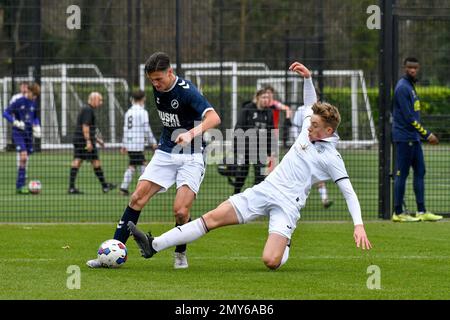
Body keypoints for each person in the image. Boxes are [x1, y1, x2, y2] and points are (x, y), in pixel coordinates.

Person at [127, 61, 372, 271]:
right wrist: (307, 78)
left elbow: (348, 192)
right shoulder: (310, 127)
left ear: (328, 131)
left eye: (315, 125)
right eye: (311, 122)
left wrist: (358, 225)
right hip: (265, 189)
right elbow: (311, 103)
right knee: (211, 218)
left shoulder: (332, 158)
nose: (309, 126)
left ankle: (284, 243)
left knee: (271, 261)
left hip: (288, 206)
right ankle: (154, 244)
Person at [86, 52, 221, 269]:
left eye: (159, 79)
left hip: (192, 154)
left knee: (181, 211)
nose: (155, 84)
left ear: (170, 72)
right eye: (152, 80)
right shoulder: (157, 88)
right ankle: (112, 252)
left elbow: (214, 117)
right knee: (137, 197)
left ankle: (180, 252)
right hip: (166, 151)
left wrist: (190, 134)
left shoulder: (187, 91)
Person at [392, 57, 442, 222]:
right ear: (404, 68)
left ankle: (421, 211)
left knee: (420, 172)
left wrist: (420, 135)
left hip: (413, 138)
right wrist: (427, 134)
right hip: (404, 138)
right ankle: (398, 213)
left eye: (415, 68)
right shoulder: (402, 88)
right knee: (402, 174)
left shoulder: (410, 87)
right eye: (410, 67)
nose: (413, 70)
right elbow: (409, 118)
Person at [291, 84, 333, 209]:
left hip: (316, 146)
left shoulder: (325, 112)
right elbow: (294, 126)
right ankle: (294, 200)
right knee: (300, 174)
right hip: (301, 147)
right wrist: (297, 142)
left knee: (316, 171)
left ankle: (324, 199)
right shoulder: (301, 110)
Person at [68, 92, 116, 194]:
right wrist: (88, 141)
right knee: (91, 161)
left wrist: (98, 140)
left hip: (80, 139)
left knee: (83, 160)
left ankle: (72, 188)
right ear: (93, 99)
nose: (101, 102)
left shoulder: (87, 109)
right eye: (100, 100)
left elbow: (89, 128)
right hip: (84, 140)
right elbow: (85, 126)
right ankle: (104, 186)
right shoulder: (88, 110)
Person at [230, 89, 276, 194]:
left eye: (267, 98)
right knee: (242, 173)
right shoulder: (247, 109)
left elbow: (270, 132)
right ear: (257, 98)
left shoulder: (269, 112)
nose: (266, 100)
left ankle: (254, 196)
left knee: (260, 175)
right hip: (246, 147)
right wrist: (237, 147)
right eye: (263, 97)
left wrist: (270, 152)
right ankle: (236, 194)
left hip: (260, 149)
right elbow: (239, 128)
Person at [2, 82, 41, 194]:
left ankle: (21, 185)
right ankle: (20, 185)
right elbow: (5, 113)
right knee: (23, 157)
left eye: (35, 96)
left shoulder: (34, 102)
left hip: (28, 134)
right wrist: (15, 122)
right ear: (29, 92)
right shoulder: (18, 102)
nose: (34, 97)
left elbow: (35, 117)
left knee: (25, 159)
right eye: (33, 95)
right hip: (18, 133)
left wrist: (37, 125)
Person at [119, 90, 158, 196]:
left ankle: (124, 188)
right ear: (143, 98)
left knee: (133, 165)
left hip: (130, 143)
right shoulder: (142, 112)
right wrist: (153, 142)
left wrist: (124, 144)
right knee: (143, 164)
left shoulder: (128, 112)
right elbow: (146, 128)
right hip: (137, 143)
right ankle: (144, 189)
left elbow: (125, 129)